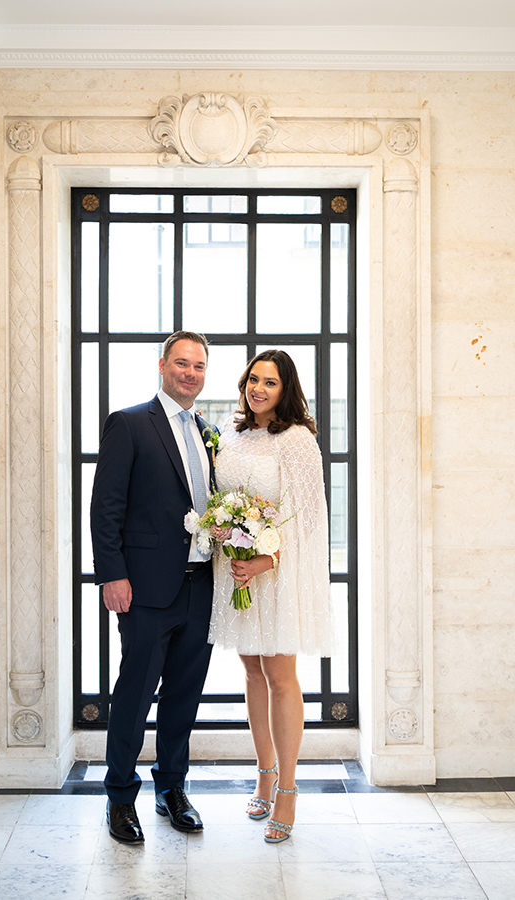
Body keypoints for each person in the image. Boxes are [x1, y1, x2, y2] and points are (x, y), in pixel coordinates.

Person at [90, 331, 216, 844]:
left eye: (199, 366)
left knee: (184, 696)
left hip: (202, 585)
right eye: (182, 363)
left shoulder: (208, 431)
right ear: (162, 365)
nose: (190, 373)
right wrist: (112, 574)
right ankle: (120, 796)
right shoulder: (129, 424)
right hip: (144, 589)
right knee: (135, 695)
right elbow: (106, 507)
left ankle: (171, 789)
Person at [208, 349, 335, 843]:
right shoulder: (233, 431)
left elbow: (310, 517)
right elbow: (223, 500)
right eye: (253, 380)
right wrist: (226, 536)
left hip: (276, 571)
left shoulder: (297, 439)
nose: (258, 389)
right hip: (238, 570)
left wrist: (266, 557)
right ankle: (263, 773)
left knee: (281, 676)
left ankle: (287, 788)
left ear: (286, 390)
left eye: (270, 383)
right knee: (252, 672)